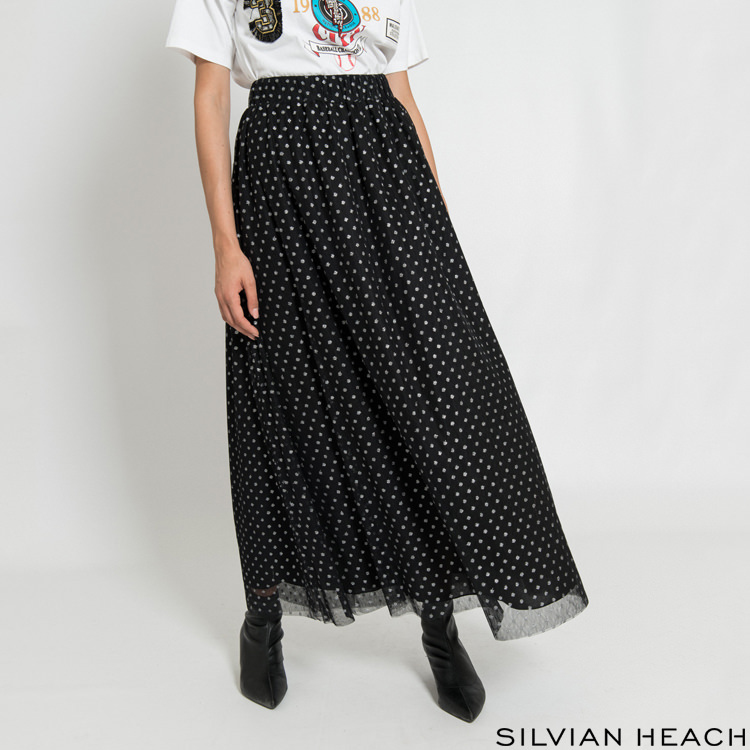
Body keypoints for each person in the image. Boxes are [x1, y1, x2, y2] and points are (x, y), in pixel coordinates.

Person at [165, 0, 589, 723]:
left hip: (385, 181)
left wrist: (434, 223)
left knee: (424, 399)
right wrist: (226, 245)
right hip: (279, 181)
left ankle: (439, 620)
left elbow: (402, 95)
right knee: (280, 398)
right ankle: (263, 613)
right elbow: (210, 97)